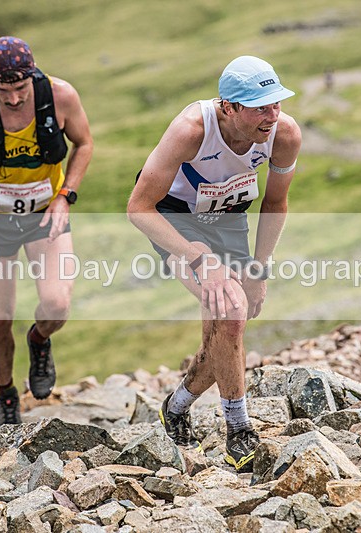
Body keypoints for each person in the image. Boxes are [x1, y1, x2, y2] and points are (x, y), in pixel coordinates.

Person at [127, 56, 302, 472]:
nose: (272, 115)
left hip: (227, 215)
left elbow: (275, 203)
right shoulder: (192, 130)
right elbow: (138, 207)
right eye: (260, 107)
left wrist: (259, 269)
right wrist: (196, 257)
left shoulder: (285, 135)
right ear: (229, 107)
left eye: (276, 103)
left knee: (225, 328)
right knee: (231, 310)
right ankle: (239, 430)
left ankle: (176, 405)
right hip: (173, 217)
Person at [0, 36, 93, 425]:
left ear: (34, 76)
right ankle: (6, 393)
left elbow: (85, 143)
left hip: (45, 216)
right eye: (3, 91)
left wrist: (65, 195)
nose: (12, 99)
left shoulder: (60, 96)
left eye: (21, 89)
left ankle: (39, 339)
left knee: (57, 304)